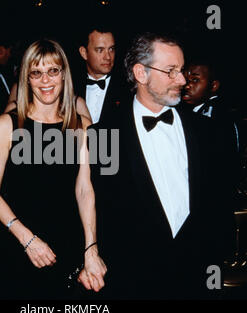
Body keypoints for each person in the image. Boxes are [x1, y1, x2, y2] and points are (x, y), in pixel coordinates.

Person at [91, 32, 236, 299]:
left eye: (181, 70)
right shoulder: (102, 136)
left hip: (197, 275)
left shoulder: (210, 132)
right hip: (134, 281)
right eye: (171, 71)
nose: (181, 80)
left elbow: (221, 200)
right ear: (141, 73)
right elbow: (101, 208)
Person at [0, 39, 106, 299]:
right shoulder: (6, 125)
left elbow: (85, 190)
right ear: (27, 78)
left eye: (53, 71)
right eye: (36, 73)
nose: (45, 80)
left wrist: (91, 248)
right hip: (18, 243)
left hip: (69, 242)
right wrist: (28, 240)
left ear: (64, 74)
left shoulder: (81, 126)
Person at [74, 24, 129, 124]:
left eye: (111, 49)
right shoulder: (70, 88)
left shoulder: (128, 88)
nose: (108, 57)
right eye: (100, 50)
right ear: (84, 53)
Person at [181, 58, 239, 151]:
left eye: (195, 80)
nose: (187, 85)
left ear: (214, 86)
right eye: (186, 80)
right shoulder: (196, 109)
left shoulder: (214, 113)